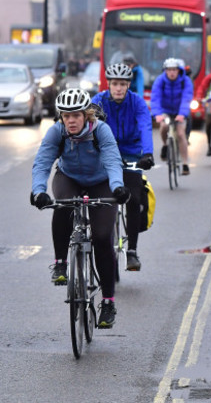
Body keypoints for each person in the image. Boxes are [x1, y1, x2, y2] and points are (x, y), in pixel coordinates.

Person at [31, 88, 130, 329]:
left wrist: (117, 187)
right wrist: (38, 191)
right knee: (61, 205)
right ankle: (61, 263)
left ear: (86, 115)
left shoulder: (101, 131)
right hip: (69, 177)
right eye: (66, 116)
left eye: (76, 115)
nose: (71, 120)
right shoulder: (57, 132)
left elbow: (112, 160)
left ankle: (107, 302)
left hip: (101, 181)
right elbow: (43, 162)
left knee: (103, 237)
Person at [92, 63, 153, 271]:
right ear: (108, 84)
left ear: (129, 85)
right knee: (97, 195)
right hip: (106, 152)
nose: (118, 88)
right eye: (115, 84)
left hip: (131, 152)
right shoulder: (98, 100)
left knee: (134, 198)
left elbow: (145, 125)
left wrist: (147, 153)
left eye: (123, 84)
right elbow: (88, 124)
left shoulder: (137, 102)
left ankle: (133, 251)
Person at [150, 58, 193, 175]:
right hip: (165, 111)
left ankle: (185, 163)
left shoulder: (186, 81)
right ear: (165, 71)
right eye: (169, 70)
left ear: (179, 70)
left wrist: (182, 114)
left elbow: (186, 98)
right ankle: (165, 145)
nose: (172, 72)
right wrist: (157, 115)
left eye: (174, 70)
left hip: (180, 111)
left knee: (180, 134)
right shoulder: (160, 81)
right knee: (163, 126)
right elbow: (155, 98)